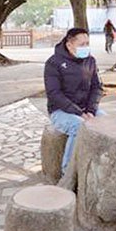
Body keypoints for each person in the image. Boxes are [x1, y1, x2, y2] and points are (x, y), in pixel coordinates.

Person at [44, 28, 103, 173]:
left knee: (106, 122)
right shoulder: (53, 63)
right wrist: (79, 113)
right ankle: (68, 172)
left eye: (87, 43)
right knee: (79, 126)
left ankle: (99, 166)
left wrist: (91, 110)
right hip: (60, 111)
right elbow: (54, 94)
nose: (86, 47)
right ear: (69, 45)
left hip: (86, 109)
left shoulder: (90, 61)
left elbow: (97, 87)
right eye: (82, 44)